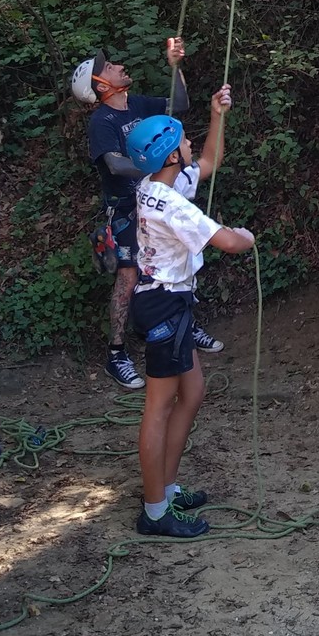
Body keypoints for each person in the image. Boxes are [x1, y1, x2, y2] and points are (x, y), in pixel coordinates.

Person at [124, 114, 255, 538]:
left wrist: (218, 114)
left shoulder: (154, 185)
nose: (190, 145)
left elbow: (210, 161)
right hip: (162, 304)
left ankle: (166, 489)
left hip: (169, 302)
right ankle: (154, 511)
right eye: (183, 141)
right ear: (170, 156)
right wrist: (246, 237)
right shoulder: (173, 205)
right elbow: (229, 243)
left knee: (193, 392)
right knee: (159, 405)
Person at [72, 38, 218, 389]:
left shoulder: (137, 103)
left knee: (177, 258)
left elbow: (179, 105)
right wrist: (156, 164)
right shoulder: (102, 121)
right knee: (128, 275)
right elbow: (114, 164)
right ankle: (116, 353)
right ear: (100, 86)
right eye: (109, 68)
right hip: (128, 208)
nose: (119, 66)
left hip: (157, 200)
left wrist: (174, 66)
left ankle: (185, 326)